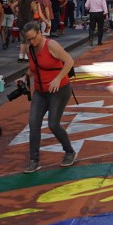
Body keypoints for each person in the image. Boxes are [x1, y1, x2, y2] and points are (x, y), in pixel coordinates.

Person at [22, 20, 77, 172]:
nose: (32, 42)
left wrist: (58, 79)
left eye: (34, 38)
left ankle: (69, 151)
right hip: (40, 92)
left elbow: (69, 61)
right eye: (29, 39)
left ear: (40, 33)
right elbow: (33, 68)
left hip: (59, 90)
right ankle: (34, 160)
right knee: (33, 124)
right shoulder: (30, 48)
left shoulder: (51, 45)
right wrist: (24, 77)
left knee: (53, 124)